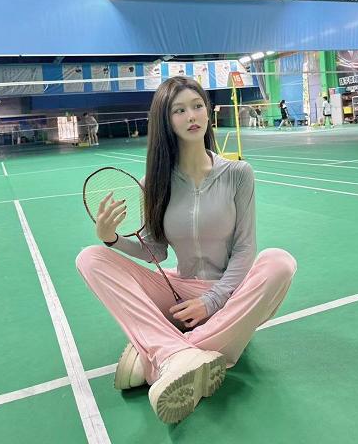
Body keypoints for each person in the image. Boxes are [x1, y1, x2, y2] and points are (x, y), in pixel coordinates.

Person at [76, 76, 297, 424]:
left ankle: (162, 353)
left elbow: (245, 248)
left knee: (279, 262)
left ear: (207, 112)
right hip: (179, 292)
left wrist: (212, 301)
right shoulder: (154, 183)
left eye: (197, 106)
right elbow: (155, 251)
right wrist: (111, 239)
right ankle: (184, 353)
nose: (192, 115)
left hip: (231, 295)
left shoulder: (238, 173)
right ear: (166, 121)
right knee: (90, 258)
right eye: (179, 110)